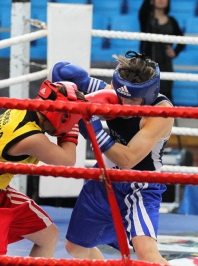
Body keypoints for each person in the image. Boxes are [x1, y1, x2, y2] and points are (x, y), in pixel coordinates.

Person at [49, 51, 174, 264]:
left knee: (147, 254)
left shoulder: (160, 113)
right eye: (122, 95)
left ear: (150, 93)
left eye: (134, 98)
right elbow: (64, 74)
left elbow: (128, 159)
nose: (126, 103)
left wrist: (95, 132)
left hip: (140, 185)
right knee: (76, 247)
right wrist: (75, 82)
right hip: (104, 177)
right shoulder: (118, 93)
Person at [0, 80, 87, 259]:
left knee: (48, 236)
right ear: (61, 115)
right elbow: (67, 160)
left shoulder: (24, 108)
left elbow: (61, 98)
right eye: (69, 117)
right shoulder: (31, 138)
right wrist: (73, 127)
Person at [139, 0, 185, 101]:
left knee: (166, 95)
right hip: (147, 63)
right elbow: (143, 10)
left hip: (166, 64)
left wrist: (175, 52)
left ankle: (168, 116)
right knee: (145, 94)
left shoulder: (172, 20)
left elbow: (183, 40)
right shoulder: (146, 18)